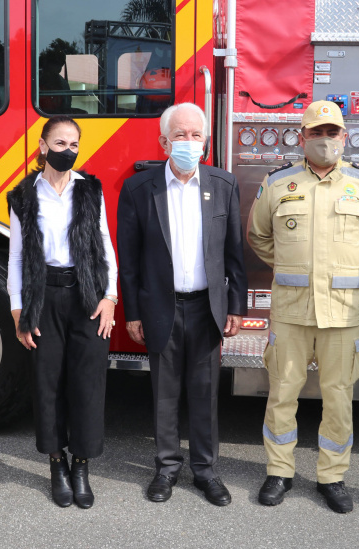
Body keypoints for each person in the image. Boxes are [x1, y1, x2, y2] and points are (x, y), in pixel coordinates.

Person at [247, 100, 359, 512]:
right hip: (291, 311)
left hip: (343, 312)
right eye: (317, 132)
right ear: (302, 136)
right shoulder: (278, 183)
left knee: (339, 397)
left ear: (344, 136)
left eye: (333, 132)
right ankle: (279, 471)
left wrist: (348, 267)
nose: (325, 139)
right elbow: (258, 235)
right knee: (282, 395)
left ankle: (332, 476)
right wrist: (293, 267)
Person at [117, 102, 248, 507]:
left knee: (205, 392)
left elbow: (234, 254)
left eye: (195, 135)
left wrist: (236, 306)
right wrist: (133, 313)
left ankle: (206, 471)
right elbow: (130, 259)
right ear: (163, 142)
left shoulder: (223, 185)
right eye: (180, 135)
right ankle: (167, 467)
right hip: (162, 307)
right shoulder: (140, 189)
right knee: (165, 393)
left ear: (205, 141)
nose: (188, 142)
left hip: (206, 306)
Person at [6, 116, 117, 509]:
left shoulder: (90, 190)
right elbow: (17, 257)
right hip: (44, 297)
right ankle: (56, 463)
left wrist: (110, 298)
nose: (67, 150)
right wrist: (20, 311)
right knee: (47, 382)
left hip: (87, 297)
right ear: (42, 145)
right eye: (59, 142)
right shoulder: (22, 196)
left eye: (73, 144)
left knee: (87, 383)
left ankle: (81, 466)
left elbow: (105, 244)